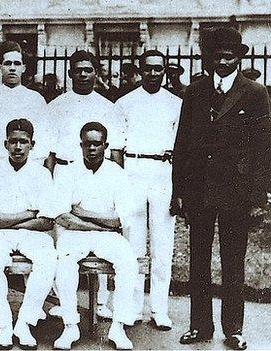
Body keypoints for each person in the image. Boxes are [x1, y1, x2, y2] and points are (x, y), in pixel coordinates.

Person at [172, 27, 271, 350]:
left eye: (230, 56)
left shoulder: (255, 93)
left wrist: (258, 195)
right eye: (218, 56)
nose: (224, 61)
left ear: (239, 58)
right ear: (210, 58)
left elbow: (263, 148)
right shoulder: (196, 92)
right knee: (198, 259)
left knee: (233, 260)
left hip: (235, 191)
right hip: (199, 189)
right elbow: (183, 144)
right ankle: (200, 326)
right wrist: (179, 191)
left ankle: (234, 329)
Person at [47, 50, 125, 320]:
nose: (82, 74)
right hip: (67, 171)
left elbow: (115, 151)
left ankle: (101, 300)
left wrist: (112, 180)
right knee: (63, 237)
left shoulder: (108, 107)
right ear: (70, 73)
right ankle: (62, 298)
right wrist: (50, 181)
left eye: (88, 69)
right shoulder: (56, 106)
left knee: (105, 235)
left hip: (98, 172)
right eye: (77, 70)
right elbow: (49, 151)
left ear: (96, 73)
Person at [49, 122, 138, 350]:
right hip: (76, 234)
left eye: (97, 144)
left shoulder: (117, 174)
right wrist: (100, 224)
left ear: (105, 146)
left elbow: (120, 220)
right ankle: (70, 326)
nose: (91, 148)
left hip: (107, 236)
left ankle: (118, 327)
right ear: (81, 145)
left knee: (128, 261)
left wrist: (83, 212)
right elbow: (62, 217)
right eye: (87, 144)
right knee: (64, 259)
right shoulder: (68, 172)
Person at [114, 49, 182, 330]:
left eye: (158, 69)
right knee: (133, 245)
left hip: (163, 173)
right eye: (148, 69)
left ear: (165, 70)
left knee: (162, 245)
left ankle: (159, 309)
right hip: (133, 171)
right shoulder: (124, 103)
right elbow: (117, 148)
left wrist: (179, 186)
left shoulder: (177, 103)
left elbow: (182, 149)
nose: (153, 74)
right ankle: (131, 307)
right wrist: (120, 183)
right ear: (140, 70)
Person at [0, 119, 57, 349]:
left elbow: (46, 221)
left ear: (32, 144)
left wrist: (8, 222)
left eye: (23, 142)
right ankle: (4, 324)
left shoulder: (42, 174)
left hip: (32, 234)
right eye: (13, 141)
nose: (18, 147)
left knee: (47, 258)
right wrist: (27, 214)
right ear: (5, 144)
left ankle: (24, 323)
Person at [0, 41, 51, 171]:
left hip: (28, 167)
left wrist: (35, 165)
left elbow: (43, 137)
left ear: (23, 68)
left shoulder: (36, 100)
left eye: (17, 63)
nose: (12, 68)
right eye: (7, 63)